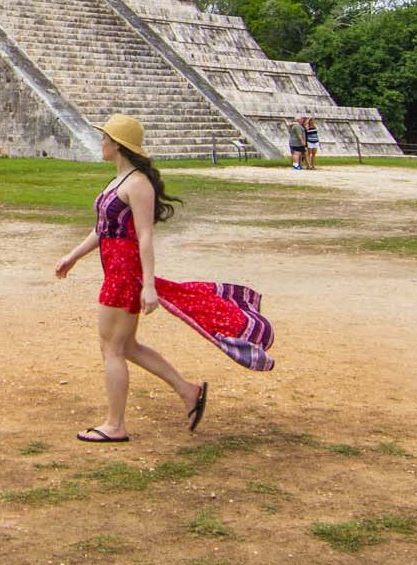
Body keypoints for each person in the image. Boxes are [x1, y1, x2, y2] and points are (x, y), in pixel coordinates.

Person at [53, 113, 275, 443]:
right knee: (126, 346)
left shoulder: (138, 184)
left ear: (118, 145)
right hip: (116, 271)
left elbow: (144, 236)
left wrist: (149, 286)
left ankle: (115, 425)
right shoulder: (119, 181)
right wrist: (72, 256)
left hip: (125, 275)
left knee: (111, 348)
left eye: (105, 138)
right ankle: (188, 391)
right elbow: (103, 230)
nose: (101, 143)